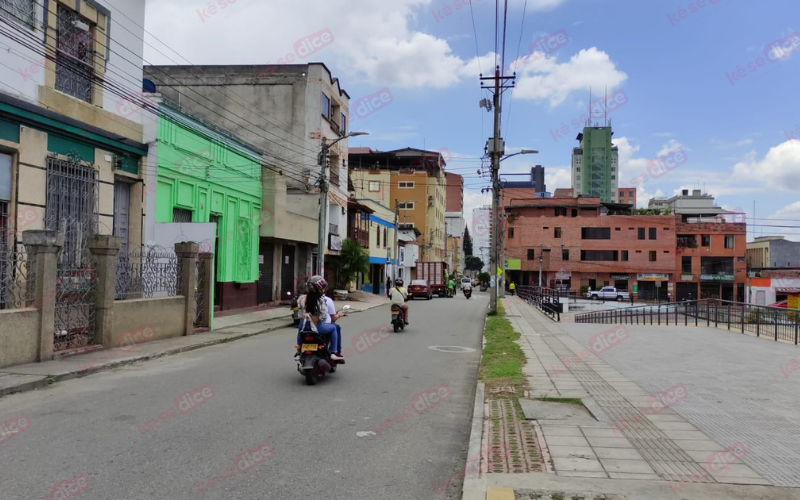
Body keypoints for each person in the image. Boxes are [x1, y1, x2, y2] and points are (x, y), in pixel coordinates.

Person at [295, 275, 343, 360]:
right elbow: (323, 317)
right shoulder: (321, 300)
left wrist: (307, 317)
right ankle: (333, 352)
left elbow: (299, 315)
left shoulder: (301, 299)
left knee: (300, 330)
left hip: (304, 326)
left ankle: (298, 352)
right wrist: (314, 318)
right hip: (317, 328)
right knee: (333, 328)